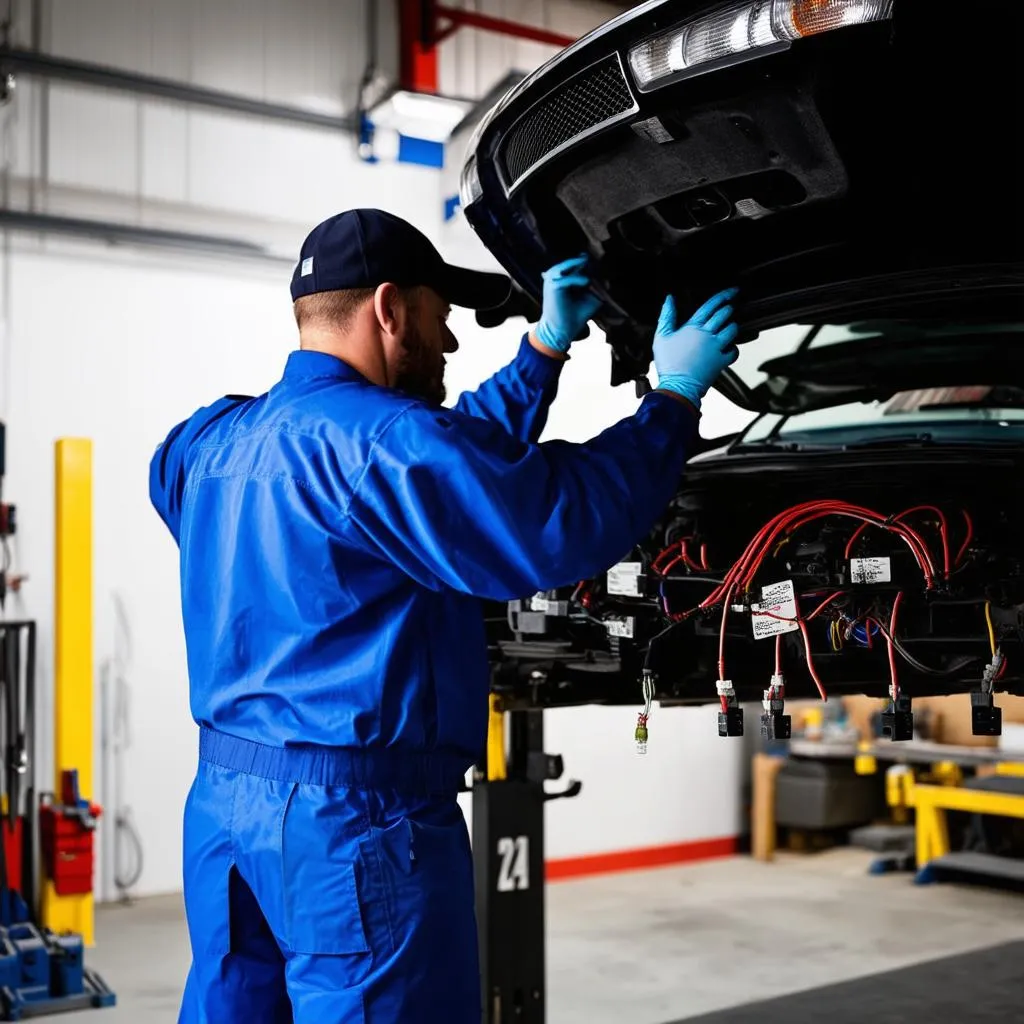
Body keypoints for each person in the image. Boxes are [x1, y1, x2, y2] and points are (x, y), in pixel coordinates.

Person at [150, 208, 739, 1024]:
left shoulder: (209, 438)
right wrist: (672, 400)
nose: (452, 343)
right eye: (440, 317)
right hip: (356, 831)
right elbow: (548, 517)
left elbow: (432, 466)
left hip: (223, 816)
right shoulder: (384, 446)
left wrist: (544, 350)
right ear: (391, 310)